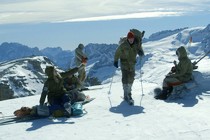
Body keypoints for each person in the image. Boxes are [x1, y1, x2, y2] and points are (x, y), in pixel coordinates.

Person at [113, 29, 145, 104]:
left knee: (131, 79)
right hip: (124, 64)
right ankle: (127, 94)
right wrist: (115, 60)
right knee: (125, 78)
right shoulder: (123, 45)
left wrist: (141, 52)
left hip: (132, 64)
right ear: (127, 38)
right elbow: (117, 52)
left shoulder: (136, 45)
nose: (131, 40)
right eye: (130, 39)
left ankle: (128, 93)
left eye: (132, 39)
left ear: (134, 38)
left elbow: (140, 49)